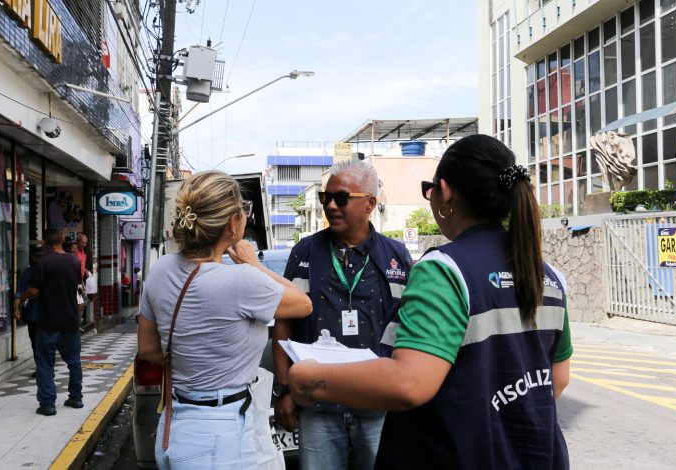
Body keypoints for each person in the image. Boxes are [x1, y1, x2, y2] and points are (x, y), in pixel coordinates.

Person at [288, 135, 573, 469]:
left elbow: (409, 383)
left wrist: (309, 379)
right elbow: (556, 379)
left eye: (429, 189)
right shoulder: (549, 276)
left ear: (445, 191)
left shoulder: (444, 269)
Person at [137, 170, 312, 469]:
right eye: (244, 210)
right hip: (220, 431)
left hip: (176, 422)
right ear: (233, 223)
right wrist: (254, 264)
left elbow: (149, 350)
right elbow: (303, 303)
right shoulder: (242, 280)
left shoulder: (161, 270)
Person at [273, 160, 412, 470]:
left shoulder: (396, 256)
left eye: (342, 198)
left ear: (370, 204)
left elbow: (410, 327)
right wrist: (282, 391)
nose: (331, 206)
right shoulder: (304, 253)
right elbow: (283, 323)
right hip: (318, 405)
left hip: (378, 404)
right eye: (326, 197)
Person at [15, 229, 84, 417]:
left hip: (47, 322)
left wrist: (22, 298)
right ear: (62, 239)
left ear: (44, 242)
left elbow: (34, 290)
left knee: (44, 363)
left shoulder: (42, 262)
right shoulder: (74, 261)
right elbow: (78, 288)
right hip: (70, 320)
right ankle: (76, 397)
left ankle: (47, 404)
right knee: (74, 361)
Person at [14, 246, 44, 378]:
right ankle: (41, 367)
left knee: (48, 342)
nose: (41, 259)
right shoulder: (28, 272)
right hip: (34, 314)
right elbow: (19, 292)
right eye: (38, 256)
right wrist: (17, 308)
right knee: (35, 342)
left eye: (43, 256)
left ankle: (47, 367)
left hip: (51, 314)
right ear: (33, 257)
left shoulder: (52, 270)